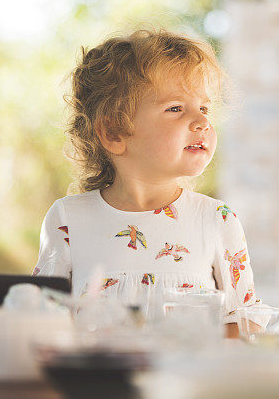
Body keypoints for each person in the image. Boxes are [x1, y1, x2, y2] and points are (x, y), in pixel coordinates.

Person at [33, 28, 260, 337]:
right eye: (175, 108)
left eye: (204, 108)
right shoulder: (67, 220)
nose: (203, 122)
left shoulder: (217, 220)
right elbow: (39, 320)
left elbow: (247, 324)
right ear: (114, 133)